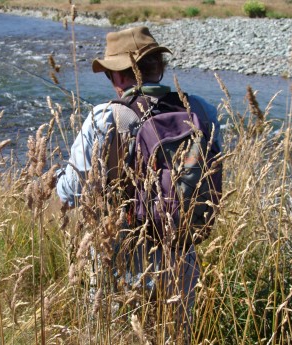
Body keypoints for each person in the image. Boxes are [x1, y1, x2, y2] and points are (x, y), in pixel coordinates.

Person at [56, 26, 221, 340]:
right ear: (158, 67)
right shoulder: (200, 109)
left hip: (122, 257)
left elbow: (70, 192)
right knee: (175, 336)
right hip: (182, 253)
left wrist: (52, 181)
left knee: (115, 335)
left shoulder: (106, 117)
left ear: (118, 77)